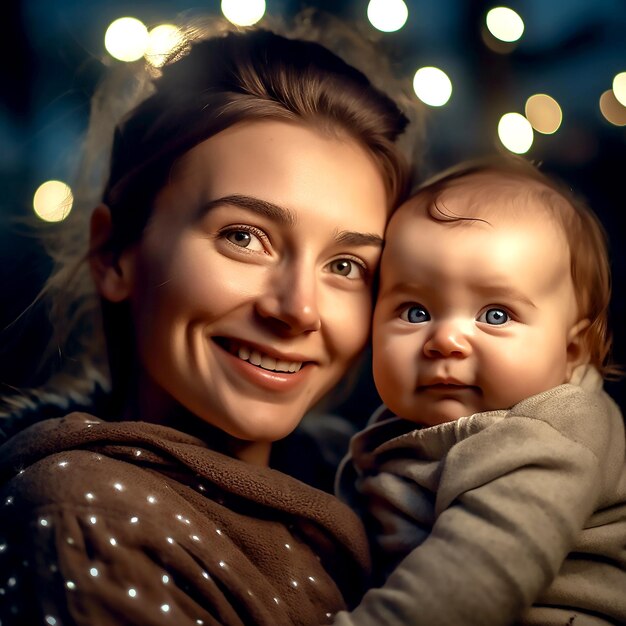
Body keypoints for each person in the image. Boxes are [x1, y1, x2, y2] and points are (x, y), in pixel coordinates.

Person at [0, 16, 415, 625]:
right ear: (115, 255)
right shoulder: (88, 521)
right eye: (244, 237)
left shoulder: (381, 492)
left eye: (347, 265)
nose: (298, 308)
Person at [334, 156, 626, 625]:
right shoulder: (407, 425)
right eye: (414, 312)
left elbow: (474, 578)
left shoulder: (554, 431)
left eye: (495, 315)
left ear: (572, 350)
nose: (445, 340)